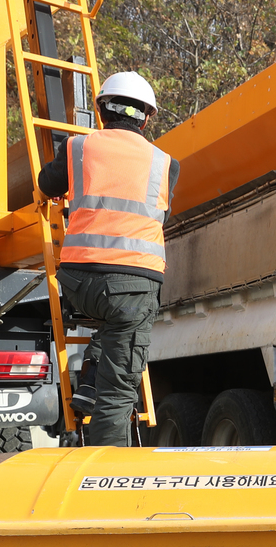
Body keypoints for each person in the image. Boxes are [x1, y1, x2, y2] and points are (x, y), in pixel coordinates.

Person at [37, 71, 179, 446]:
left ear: (101, 110)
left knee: (110, 318)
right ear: (146, 118)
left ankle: (86, 386)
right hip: (132, 287)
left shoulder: (77, 148)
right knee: (117, 393)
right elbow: (161, 215)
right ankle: (105, 479)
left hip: (78, 284)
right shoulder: (165, 163)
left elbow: (46, 184)